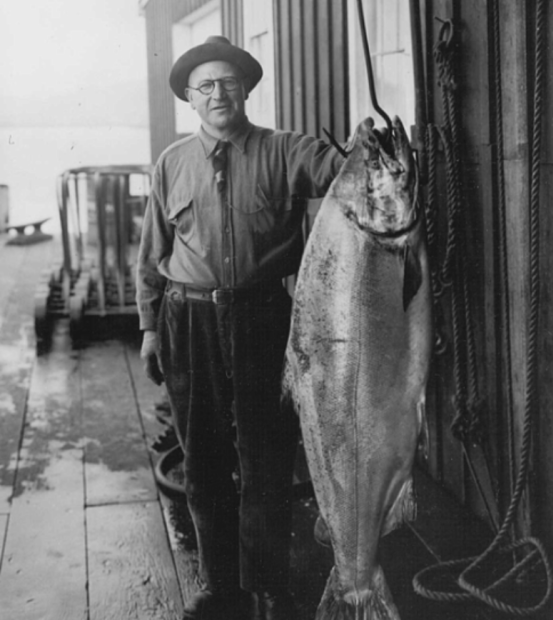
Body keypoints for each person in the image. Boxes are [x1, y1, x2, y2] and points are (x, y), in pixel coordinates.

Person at [136, 35, 343, 620]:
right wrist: (150, 328)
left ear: (247, 89)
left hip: (263, 318)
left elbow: (346, 172)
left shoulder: (286, 150)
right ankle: (219, 582)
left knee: (266, 456)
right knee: (202, 456)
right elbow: (152, 254)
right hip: (189, 317)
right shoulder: (172, 163)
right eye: (206, 85)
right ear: (190, 99)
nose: (218, 92)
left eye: (229, 82)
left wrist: (368, 151)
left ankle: (269, 585)